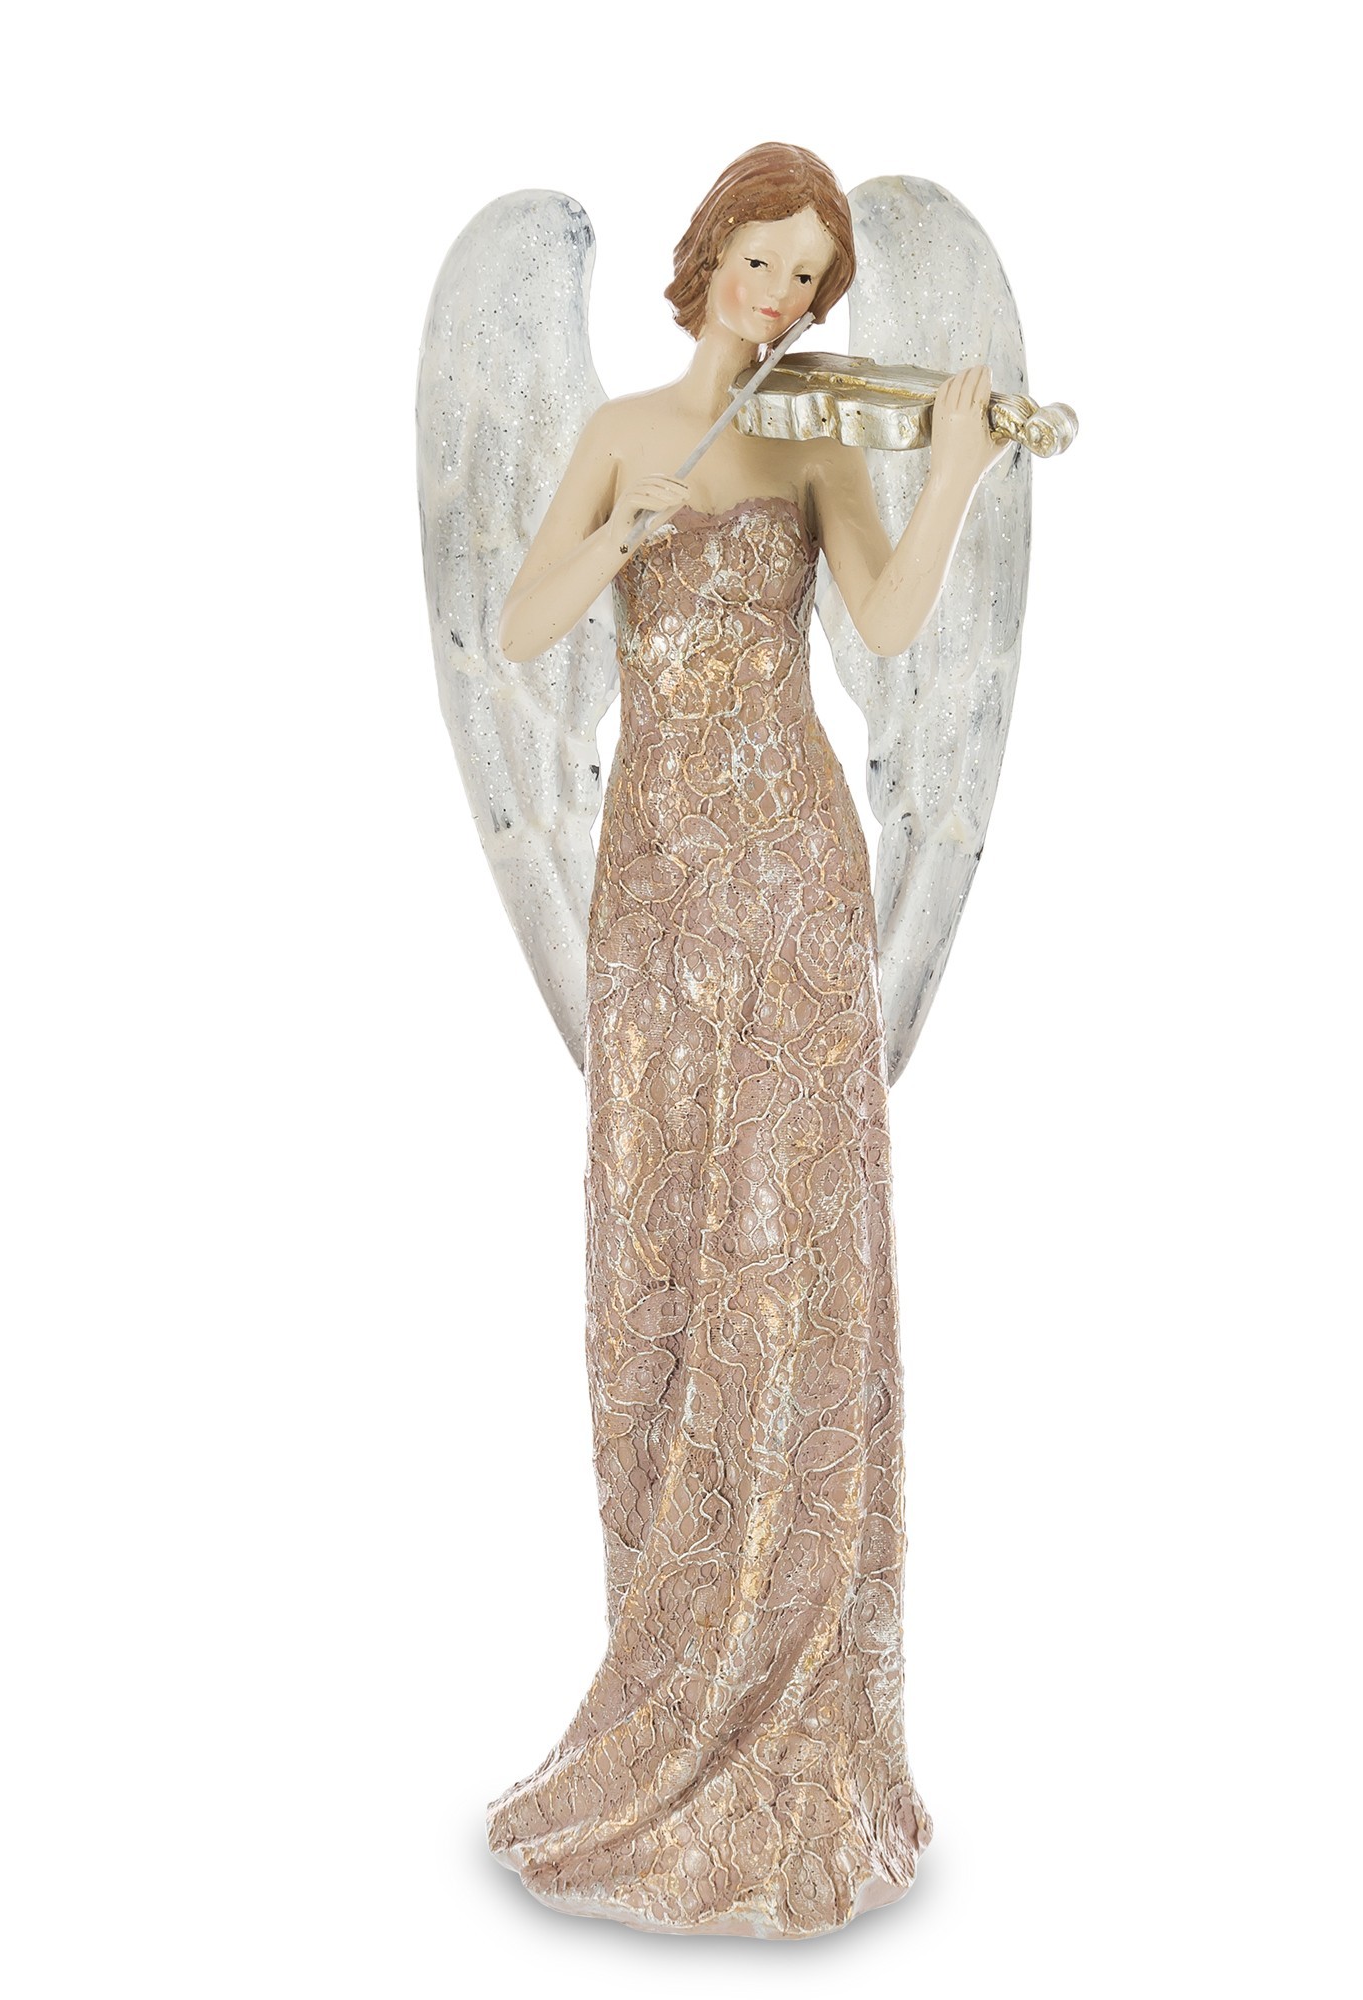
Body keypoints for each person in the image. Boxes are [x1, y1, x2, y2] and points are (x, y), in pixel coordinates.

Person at [484, 140, 1005, 1940]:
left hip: (789, 871)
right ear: (707, 254)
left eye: (808, 276)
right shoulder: (623, 431)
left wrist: (953, 470)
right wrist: (617, 537)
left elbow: (887, 625)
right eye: (761, 261)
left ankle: (792, 1691)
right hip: (655, 884)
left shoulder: (807, 438)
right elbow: (520, 627)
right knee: (667, 1240)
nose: (781, 297)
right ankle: (670, 1658)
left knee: (794, 1252)